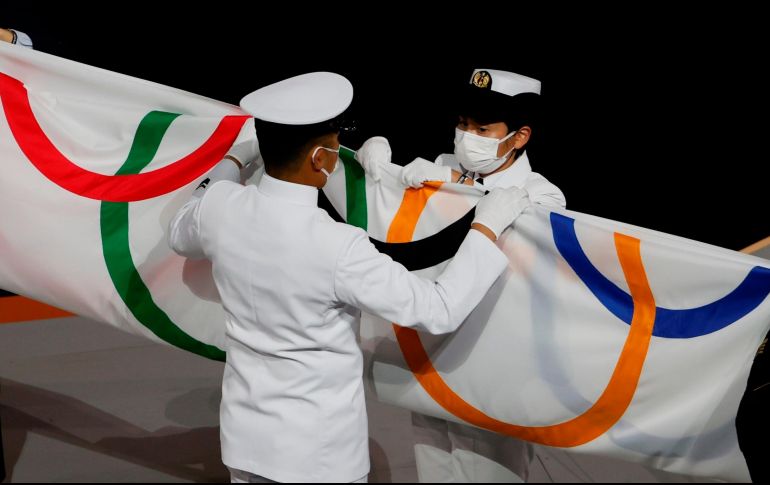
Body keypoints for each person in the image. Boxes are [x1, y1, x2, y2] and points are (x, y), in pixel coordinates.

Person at [168, 71, 533, 483]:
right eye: (335, 142)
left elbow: (180, 229)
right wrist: (484, 230)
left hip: (245, 441)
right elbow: (438, 310)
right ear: (320, 159)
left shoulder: (219, 207)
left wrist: (235, 160)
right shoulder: (338, 246)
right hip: (318, 455)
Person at [357, 68, 565, 483]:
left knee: (487, 472)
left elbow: (522, 211)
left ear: (519, 137)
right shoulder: (442, 164)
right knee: (432, 463)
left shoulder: (544, 192)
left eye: (482, 129)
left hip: (493, 366)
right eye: (463, 123)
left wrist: (453, 181)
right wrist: (375, 168)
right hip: (431, 354)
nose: (467, 135)